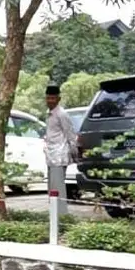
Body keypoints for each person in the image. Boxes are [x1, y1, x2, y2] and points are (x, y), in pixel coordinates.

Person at [44, 84, 78, 215]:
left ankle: (62, 217)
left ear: (58, 99)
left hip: (59, 156)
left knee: (58, 189)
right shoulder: (49, 114)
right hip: (51, 156)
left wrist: (74, 153)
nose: (50, 101)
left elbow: (70, 134)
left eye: (53, 98)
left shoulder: (62, 114)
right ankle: (53, 216)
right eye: (48, 98)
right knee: (51, 189)